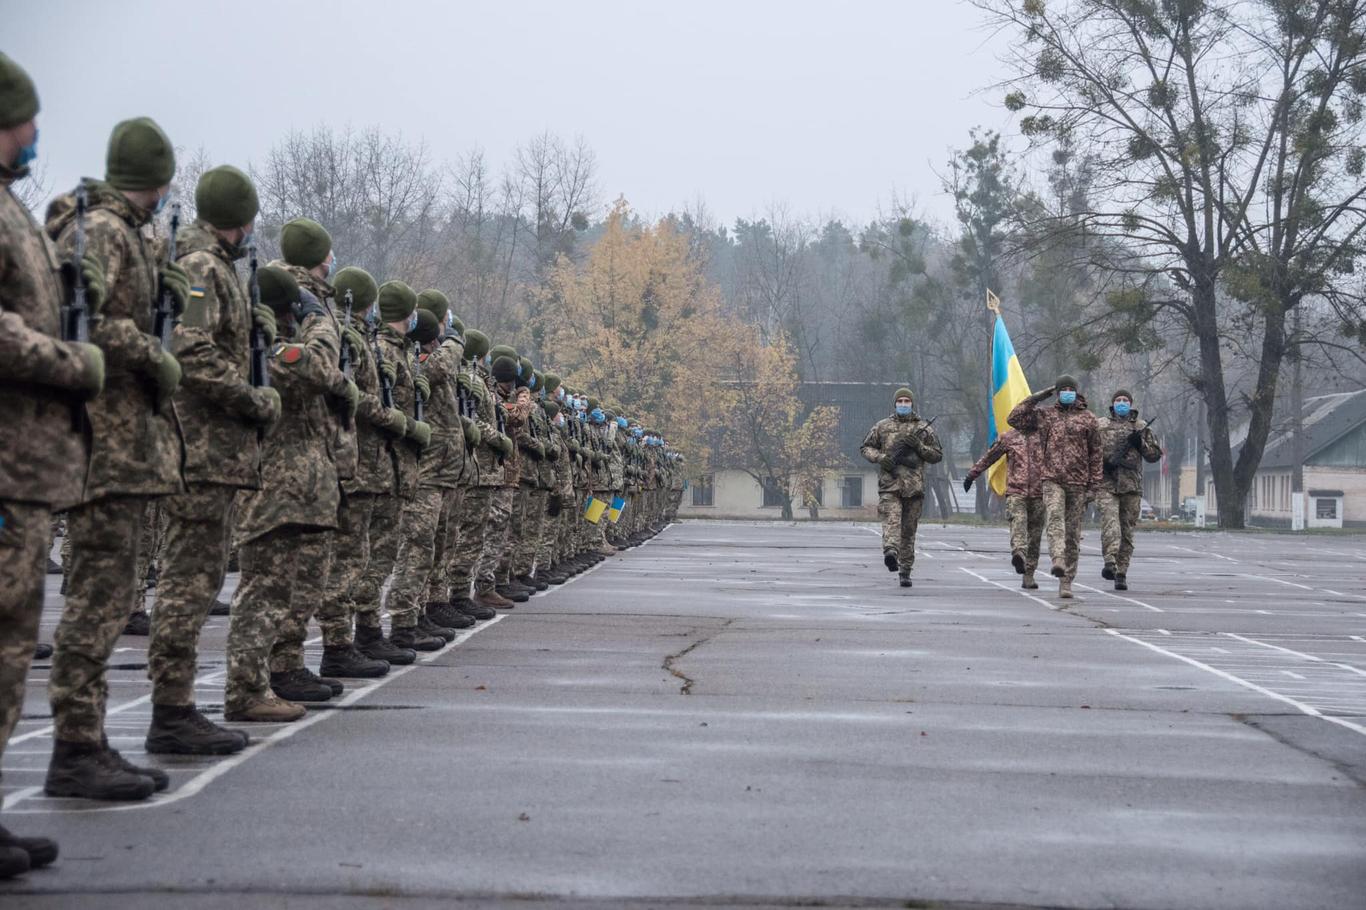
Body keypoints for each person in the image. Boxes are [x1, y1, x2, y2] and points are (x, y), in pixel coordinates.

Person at [45, 116, 187, 801]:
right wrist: (148, 352)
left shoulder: (130, 230)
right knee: (95, 601)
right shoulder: (101, 229)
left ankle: (87, 742)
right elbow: (82, 318)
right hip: (104, 445)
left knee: (105, 599)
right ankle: (76, 745)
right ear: (155, 178)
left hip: (128, 448)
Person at [0, 50, 106, 874]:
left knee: (14, 636)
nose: (36, 135)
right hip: (10, 462)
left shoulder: (14, 212)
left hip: (31, 464)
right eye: (28, 118)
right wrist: (71, 362)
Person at [145, 165, 280, 754]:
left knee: (198, 585)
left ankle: (176, 708)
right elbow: (193, 351)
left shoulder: (221, 268)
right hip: (200, 452)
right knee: (185, 586)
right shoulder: (202, 268)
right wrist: (251, 397)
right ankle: (170, 711)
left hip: (218, 455)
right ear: (240, 219)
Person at [224, 265, 350, 722]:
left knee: (288, 591)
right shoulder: (268, 349)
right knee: (262, 594)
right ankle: (245, 689)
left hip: (297, 490)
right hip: (271, 490)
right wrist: (320, 319)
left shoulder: (275, 346)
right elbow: (317, 366)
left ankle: (278, 672)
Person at [1007, 376, 1102, 600]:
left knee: (1072, 533)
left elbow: (1096, 454)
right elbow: (1014, 417)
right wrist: (1042, 394)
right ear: (1058, 392)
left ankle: (1066, 581)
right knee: (1055, 521)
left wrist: (1094, 486)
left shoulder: (1088, 418)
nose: (1067, 392)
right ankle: (1057, 560)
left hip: (1078, 483)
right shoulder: (1046, 415)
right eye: (1063, 389)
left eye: (1071, 389)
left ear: (1077, 392)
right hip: (1051, 479)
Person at [859, 388, 943, 588]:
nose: (903, 404)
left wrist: (919, 447)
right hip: (890, 485)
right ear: (895, 403)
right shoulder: (882, 426)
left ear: (912, 404)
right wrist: (881, 458)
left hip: (914, 488)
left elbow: (937, 455)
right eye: (900, 401)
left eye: (907, 401)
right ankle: (890, 551)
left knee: (908, 531)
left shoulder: (924, 428)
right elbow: (866, 447)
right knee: (892, 520)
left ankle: (905, 570)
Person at [963, 426, 1044, 589]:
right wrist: (972, 474)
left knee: (1035, 537)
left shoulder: (1045, 436)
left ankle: (1029, 575)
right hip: (1016, 491)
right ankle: (1019, 553)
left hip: (1039, 493)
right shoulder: (1009, 437)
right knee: (1018, 522)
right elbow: (990, 456)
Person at [1097, 390, 1161, 590]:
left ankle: (1121, 572)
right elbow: (1088, 451)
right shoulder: (1101, 425)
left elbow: (1154, 455)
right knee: (1110, 524)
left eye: (1125, 400)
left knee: (1127, 532)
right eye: (1118, 400)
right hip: (1106, 484)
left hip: (1131, 485)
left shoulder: (1140, 427)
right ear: (1112, 403)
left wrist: (1139, 443)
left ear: (1131, 404)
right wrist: (1102, 464)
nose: (1121, 403)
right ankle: (1110, 562)